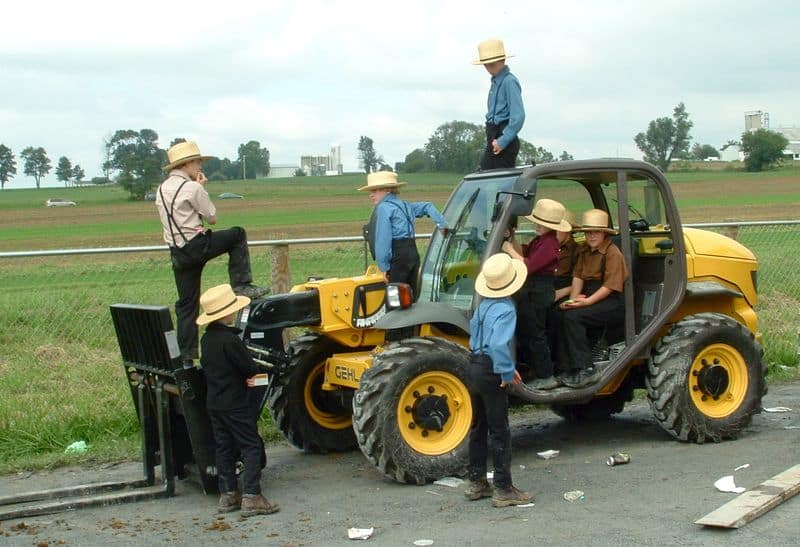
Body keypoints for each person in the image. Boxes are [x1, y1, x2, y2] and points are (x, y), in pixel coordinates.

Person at [155, 141, 267, 365]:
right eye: (197, 162)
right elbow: (212, 217)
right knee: (237, 234)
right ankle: (242, 283)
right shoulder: (192, 188)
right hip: (198, 244)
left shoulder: (161, 189)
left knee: (187, 304)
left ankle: (186, 358)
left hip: (177, 251)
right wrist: (202, 188)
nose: (199, 167)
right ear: (186, 164)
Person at [196, 283, 279, 518]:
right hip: (235, 403)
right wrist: (254, 369)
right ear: (227, 314)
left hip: (215, 403)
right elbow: (249, 368)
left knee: (224, 447)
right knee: (250, 445)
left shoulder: (207, 340)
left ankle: (228, 494)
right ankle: (252, 496)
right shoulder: (230, 341)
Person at [464, 253, 534, 508]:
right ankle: (503, 488)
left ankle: (476, 481)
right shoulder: (506, 309)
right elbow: (498, 343)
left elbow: (478, 336)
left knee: (479, 426)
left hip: (474, 364)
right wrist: (505, 372)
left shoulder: (483, 305)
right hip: (491, 368)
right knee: (500, 430)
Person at [501, 199, 570, 390]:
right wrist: (511, 238)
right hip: (533, 291)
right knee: (529, 332)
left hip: (539, 292)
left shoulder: (549, 244)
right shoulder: (541, 240)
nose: (537, 225)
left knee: (536, 334)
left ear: (551, 227)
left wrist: (508, 250)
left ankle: (546, 375)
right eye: (537, 222)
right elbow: (523, 253)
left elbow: (528, 265)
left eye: (542, 223)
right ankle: (536, 371)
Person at [556, 209, 628, 388]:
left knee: (574, 318)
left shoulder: (613, 253)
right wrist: (572, 301)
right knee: (559, 314)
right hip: (590, 297)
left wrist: (587, 302)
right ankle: (566, 369)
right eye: (588, 232)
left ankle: (587, 369)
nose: (591, 235)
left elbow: (610, 286)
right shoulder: (584, 251)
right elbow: (578, 277)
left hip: (611, 301)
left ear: (604, 233)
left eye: (595, 232)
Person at [359, 171, 447, 296]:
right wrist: (441, 224)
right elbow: (427, 206)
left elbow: (383, 240)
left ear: (387, 190)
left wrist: (383, 267)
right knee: (411, 297)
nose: (371, 195)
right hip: (413, 254)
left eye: (375, 190)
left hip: (398, 257)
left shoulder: (384, 208)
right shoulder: (405, 205)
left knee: (395, 299)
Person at [473, 38, 525, 170]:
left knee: (504, 184)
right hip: (491, 135)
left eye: (492, 64)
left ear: (502, 60)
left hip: (504, 138)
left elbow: (518, 116)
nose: (488, 68)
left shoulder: (509, 81)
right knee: (481, 177)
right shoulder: (494, 83)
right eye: (486, 65)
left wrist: (503, 141)